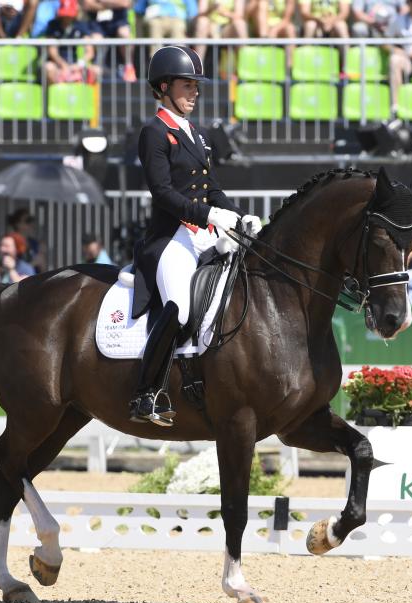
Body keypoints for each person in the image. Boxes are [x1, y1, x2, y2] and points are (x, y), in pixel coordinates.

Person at [128, 45, 261, 427]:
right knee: (181, 309)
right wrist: (208, 215)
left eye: (196, 86)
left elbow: (212, 187)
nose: (195, 93)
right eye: (188, 85)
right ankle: (145, 393)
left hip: (202, 235)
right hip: (170, 239)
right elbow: (163, 193)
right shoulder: (155, 132)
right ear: (164, 86)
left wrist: (237, 216)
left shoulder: (198, 135)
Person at [43, 0, 100, 84]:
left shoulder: (80, 26)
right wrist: (63, 65)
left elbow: (89, 52)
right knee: (49, 67)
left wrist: (78, 65)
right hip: (58, 64)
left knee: (96, 70)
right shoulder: (53, 25)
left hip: (75, 65)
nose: (66, 18)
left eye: (69, 15)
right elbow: (52, 51)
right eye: (65, 15)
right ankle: (59, 94)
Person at [82, 0, 137, 83]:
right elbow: (87, 4)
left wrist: (102, 2)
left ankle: (129, 66)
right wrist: (113, 4)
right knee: (96, 39)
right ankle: (96, 69)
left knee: (125, 34)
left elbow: (126, 3)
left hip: (119, 21)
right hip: (97, 24)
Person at [193, 0, 248, 65]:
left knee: (240, 23)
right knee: (202, 21)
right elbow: (200, 13)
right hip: (210, 27)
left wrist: (224, 12)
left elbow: (239, 15)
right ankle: (197, 66)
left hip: (227, 29)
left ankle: (244, 66)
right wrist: (211, 9)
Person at [6, 208, 46, 272]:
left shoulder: (34, 243)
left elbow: (42, 270)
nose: (31, 224)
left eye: (31, 220)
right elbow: (10, 269)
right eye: (27, 221)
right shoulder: (10, 242)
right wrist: (33, 263)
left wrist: (41, 255)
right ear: (18, 224)